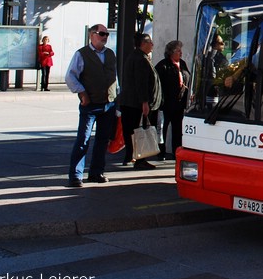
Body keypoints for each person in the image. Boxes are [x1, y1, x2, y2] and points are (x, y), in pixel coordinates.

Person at [64, 24, 118, 187]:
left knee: (103, 140)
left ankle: (96, 172)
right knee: (83, 139)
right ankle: (75, 175)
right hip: (90, 104)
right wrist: (82, 92)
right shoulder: (82, 54)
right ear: (92, 35)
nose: (105, 37)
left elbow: (115, 77)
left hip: (108, 104)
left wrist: (116, 95)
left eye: (107, 34)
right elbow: (70, 76)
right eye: (102, 33)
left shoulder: (110, 54)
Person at [119, 32, 163, 169]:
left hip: (130, 102)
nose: (152, 45)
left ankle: (131, 156)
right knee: (139, 131)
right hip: (136, 104)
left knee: (131, 130)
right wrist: (145, 102)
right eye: (150, 42)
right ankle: (140, 159)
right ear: (143, 44)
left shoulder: (136, 57)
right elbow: (141, 82)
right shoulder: (141, 59)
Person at [155, 39, 190, 161]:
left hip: (179, 104)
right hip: (166, 104)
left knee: (177, 128)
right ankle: (161, 151)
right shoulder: (163, 65)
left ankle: (176, 151)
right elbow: (157, 84)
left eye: (181, 51)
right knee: (163, 128)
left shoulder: (183, 64)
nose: (180, 53)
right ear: (171, 52)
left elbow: (187, 77)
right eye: (178, 51)